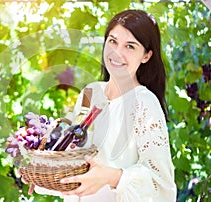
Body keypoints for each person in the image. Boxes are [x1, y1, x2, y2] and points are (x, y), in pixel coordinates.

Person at [24, 9, 177, 201]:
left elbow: (161, 186)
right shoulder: (90, 92)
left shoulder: (144, 103)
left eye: (130, 46)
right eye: (112, 41)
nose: (117, 53)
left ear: (146, 55)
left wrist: (113, 177)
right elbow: (73, 168)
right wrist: (42, 176)